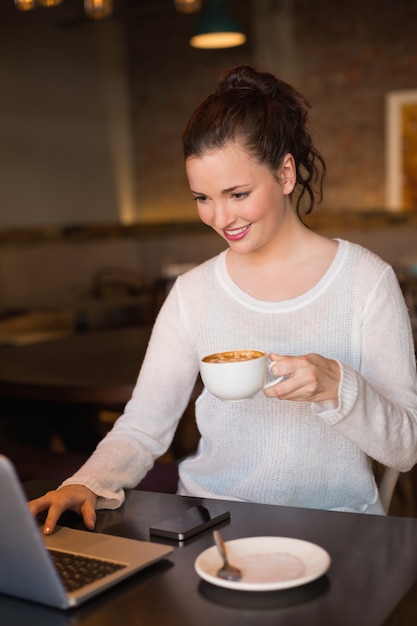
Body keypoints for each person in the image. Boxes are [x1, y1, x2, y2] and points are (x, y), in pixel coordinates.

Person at [29, 65, 417, 532]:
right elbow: (143, 425)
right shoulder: (193, 293)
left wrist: (338, 386)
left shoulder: (365, 281)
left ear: (286, 173)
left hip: (337, 530)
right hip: (213, 526)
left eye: (237, 193)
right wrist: (86, 482)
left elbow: (407, 447)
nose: (220, 217)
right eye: (203, 198)